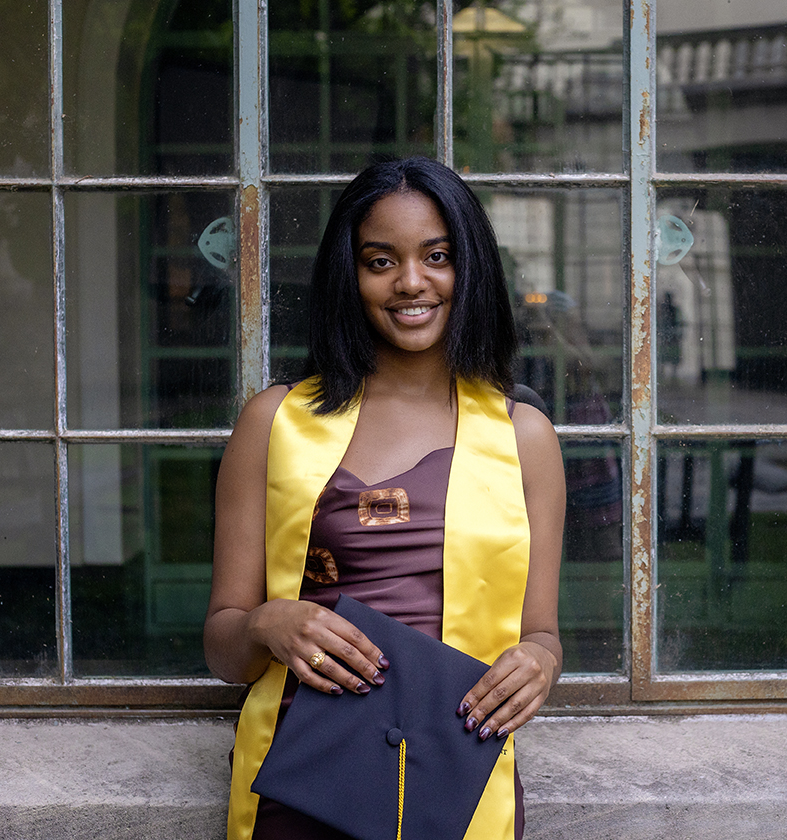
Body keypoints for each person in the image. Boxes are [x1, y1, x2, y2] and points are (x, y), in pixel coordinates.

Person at [204, 157, 565, 840]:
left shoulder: (522, 436)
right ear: (351, 274)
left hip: (457, 776)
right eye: (380, 261)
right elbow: (224, 650)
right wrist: (268, 623)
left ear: (471, 268)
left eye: (437, 256)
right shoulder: (276, 423)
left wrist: (539, 661)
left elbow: (539, 632)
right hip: (304, 777)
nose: (410, 282)